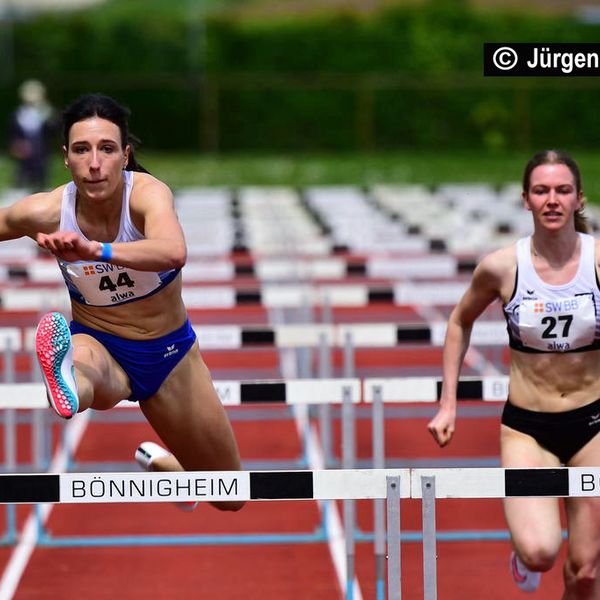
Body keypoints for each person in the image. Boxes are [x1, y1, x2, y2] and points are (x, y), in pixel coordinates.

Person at [3, 92, 244, 512]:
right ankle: (68, 384)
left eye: (106, 149)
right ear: (65, 157)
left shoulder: (147, 195)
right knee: (86, 374)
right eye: (82, 150)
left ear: (125, 154)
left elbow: (172, 251)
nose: (94, 163)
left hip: (169, 355)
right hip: (99, 340)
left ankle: (173, 469)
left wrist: (95, 251)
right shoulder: (45, 210)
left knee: (231, 497)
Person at [428, 149, 600, 599]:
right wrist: (449, 404)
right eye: (541, 190)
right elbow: (458, 321)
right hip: (529, 429)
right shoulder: (503, 267)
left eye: (562, 190)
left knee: (585, 572)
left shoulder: (598, 262)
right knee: (541, 552)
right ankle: (523, 555)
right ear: (526, 199)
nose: (552, 199)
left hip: (594, 426)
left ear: (579, 198)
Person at [7, 79, 57, 191]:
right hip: (23, 157)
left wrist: (48, 114)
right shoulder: (18, 114)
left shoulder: (46, 112)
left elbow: (54, 130)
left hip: (42, 154)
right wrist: (16, 145)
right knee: (22, 184)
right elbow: (13, 133)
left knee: (42, 185)